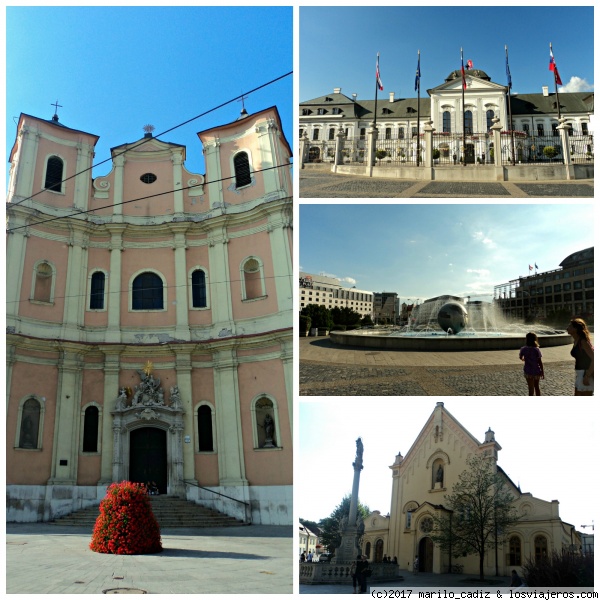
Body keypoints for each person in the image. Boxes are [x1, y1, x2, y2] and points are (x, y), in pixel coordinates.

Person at [567, 318, 594, 396]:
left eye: (570, 326)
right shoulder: (576, 341)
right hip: (580, 373)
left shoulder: (583, 342)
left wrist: (587, 376)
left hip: (586, 373)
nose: (567, 328)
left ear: (575, 329)